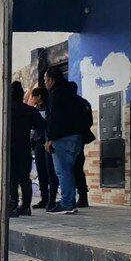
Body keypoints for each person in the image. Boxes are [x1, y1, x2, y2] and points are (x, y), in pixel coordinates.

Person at [44, 68, 83, 214]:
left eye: (45, 80)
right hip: (76, 137)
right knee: (69, 171)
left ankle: (67, 203)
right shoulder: (73, 95)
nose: (45, 83)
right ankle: (70, 201)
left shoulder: (55, 95)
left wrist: (50, 139)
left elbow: (54, 119)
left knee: (63, 171)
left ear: (51, 80)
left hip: (62, 138)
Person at [10, 82, 45, 216]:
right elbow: (41, 126)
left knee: (11, 179)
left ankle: (12, 205)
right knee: (25, 178)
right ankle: (25, 206)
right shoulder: (30, 110)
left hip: (8, 150)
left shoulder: (4, 110)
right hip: (24, 148)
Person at [28, 87, 58, 209]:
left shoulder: (49, 108)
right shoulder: (35, 110)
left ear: (39, 96)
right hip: (39, 143)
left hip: (48, 142)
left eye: (33, 96)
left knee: (51, 171)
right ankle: (44, 199)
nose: (32, 99)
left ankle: (52, 199)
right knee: (41, 172)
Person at [73, 85, 96, 208]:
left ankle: (80, 197)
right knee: (78, 168)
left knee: (72, 169)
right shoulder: (83, 102)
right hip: (80, 139)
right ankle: (82, 196)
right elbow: (89, 121)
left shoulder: (71, 102)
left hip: (71, 139)